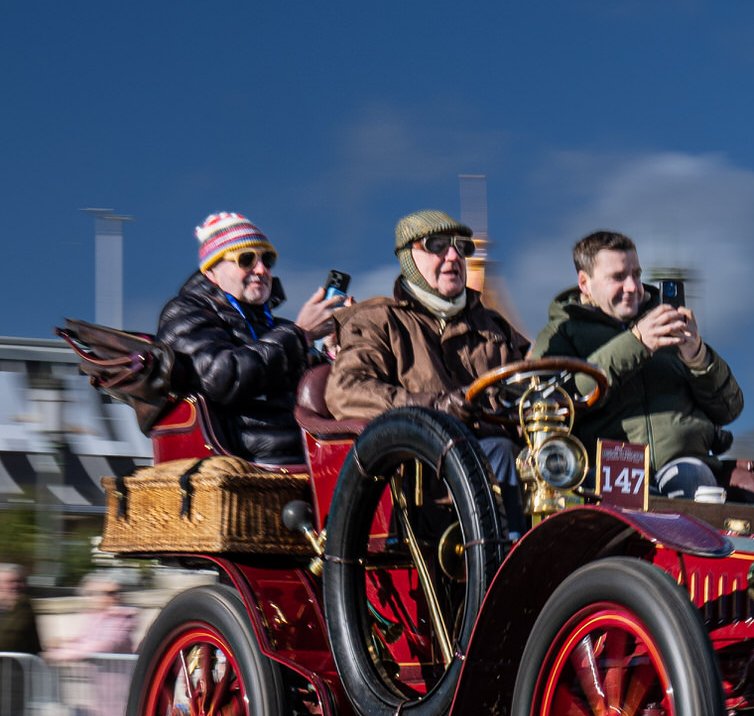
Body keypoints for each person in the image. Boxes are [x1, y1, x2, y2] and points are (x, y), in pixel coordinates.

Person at [326, 210, 530, 534]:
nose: (453, 256)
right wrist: (435, 408)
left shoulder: (495, 327)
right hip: (421, 476)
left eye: (461, 247)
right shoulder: (378, 320)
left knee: (570, 464)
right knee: (502, 455)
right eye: (437, 245)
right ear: (409, 258)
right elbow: (345, 391)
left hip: (501, 464)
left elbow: (529, 386)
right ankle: (514, 564)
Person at [532, 231, 743, 499]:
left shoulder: (666, 323)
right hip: (609, 469)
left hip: (685, 463)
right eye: (618, 277)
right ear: (585, 283)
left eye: (636, 274)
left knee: (697, 490)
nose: (633, 286)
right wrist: (637, 342)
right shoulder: (560, 334)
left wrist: (698, 357)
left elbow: (730, 410)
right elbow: (554, 403)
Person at [156, 212, 348, 466]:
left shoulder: (278, 326)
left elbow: (312, 389)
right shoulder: (184, 312)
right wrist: (300, 334)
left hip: (310, 452)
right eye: (246, 259)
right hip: (250, 462)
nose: (261, 270)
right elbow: (220, 378)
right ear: (211, 271)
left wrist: (334, 351)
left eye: (267, 260)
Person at [45, 573, 137, 716]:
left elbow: (106, 644)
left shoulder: (124, 617)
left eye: (115, 592)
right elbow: (82, 641)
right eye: (105, 593)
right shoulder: (92, 617)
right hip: (99, 704)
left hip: (119, 704)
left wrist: (63, 654)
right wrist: (60, 647)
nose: (113, 597)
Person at [0, 564, 40, 716]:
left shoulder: (24, 608)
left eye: (16, 582)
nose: (13, 587)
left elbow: (11, 638)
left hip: (11, 687)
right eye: (8, 583)